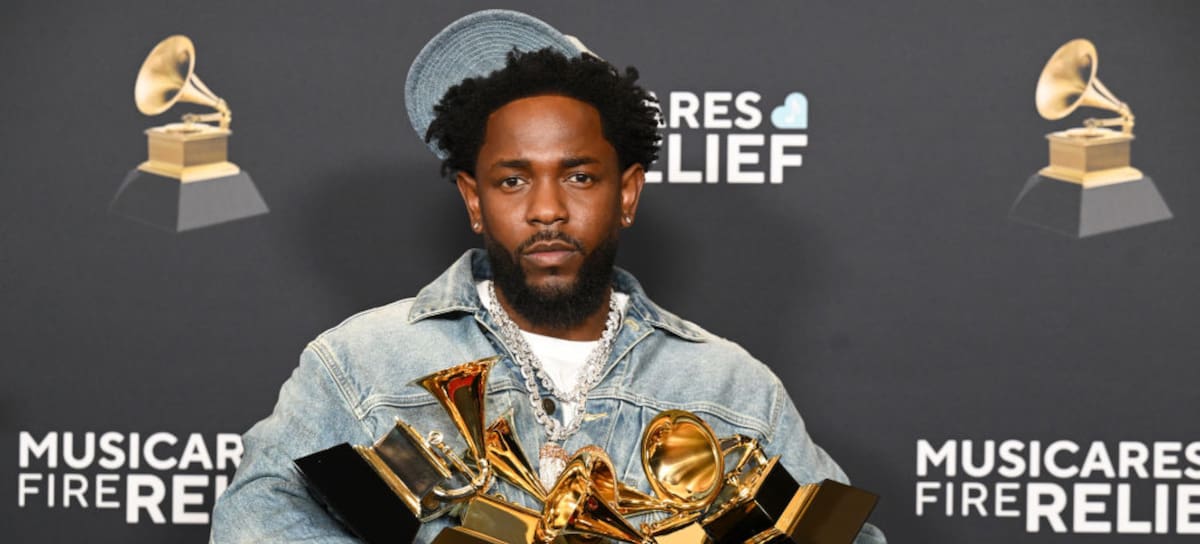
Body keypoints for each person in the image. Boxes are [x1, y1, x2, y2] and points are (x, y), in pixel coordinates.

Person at [210, 9, 885, 544]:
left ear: (627, 193)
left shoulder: (731, 387)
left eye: (579, 177)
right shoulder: (360, 364)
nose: (547, 210)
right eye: (513, 181)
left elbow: (845, 537)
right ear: (474, 200)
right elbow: (252, 521)